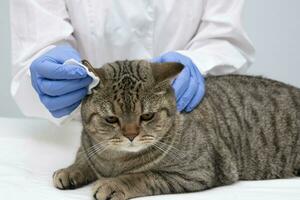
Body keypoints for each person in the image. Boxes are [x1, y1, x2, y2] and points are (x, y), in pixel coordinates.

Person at [10, 0, 254, 125]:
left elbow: (226, 38)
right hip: (80, 133)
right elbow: (37, 45)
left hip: (183, 126)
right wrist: (50, 73)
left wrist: (196, 64)